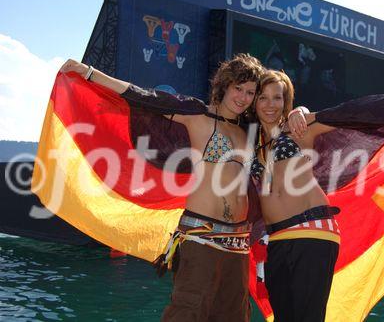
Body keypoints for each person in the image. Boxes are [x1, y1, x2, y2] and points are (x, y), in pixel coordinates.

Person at [59, 54, 265, 322]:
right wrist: (88, 72)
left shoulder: (247, 131)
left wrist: (301, 112)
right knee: (187, 311)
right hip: (202, 235)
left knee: (233, 315)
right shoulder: (197, 115)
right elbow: (143, 97)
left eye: (250, 92)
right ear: (224, 85)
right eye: (238, 88)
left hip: (239, 243)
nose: (243, 97)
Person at [249, 70, 384, 322]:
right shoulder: (252, 140)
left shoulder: (299, 126)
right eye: (263, 97)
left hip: (311, 229)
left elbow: (350, 113)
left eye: (277, 97)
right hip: (276, 238)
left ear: (287, 101)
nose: (270, 104)